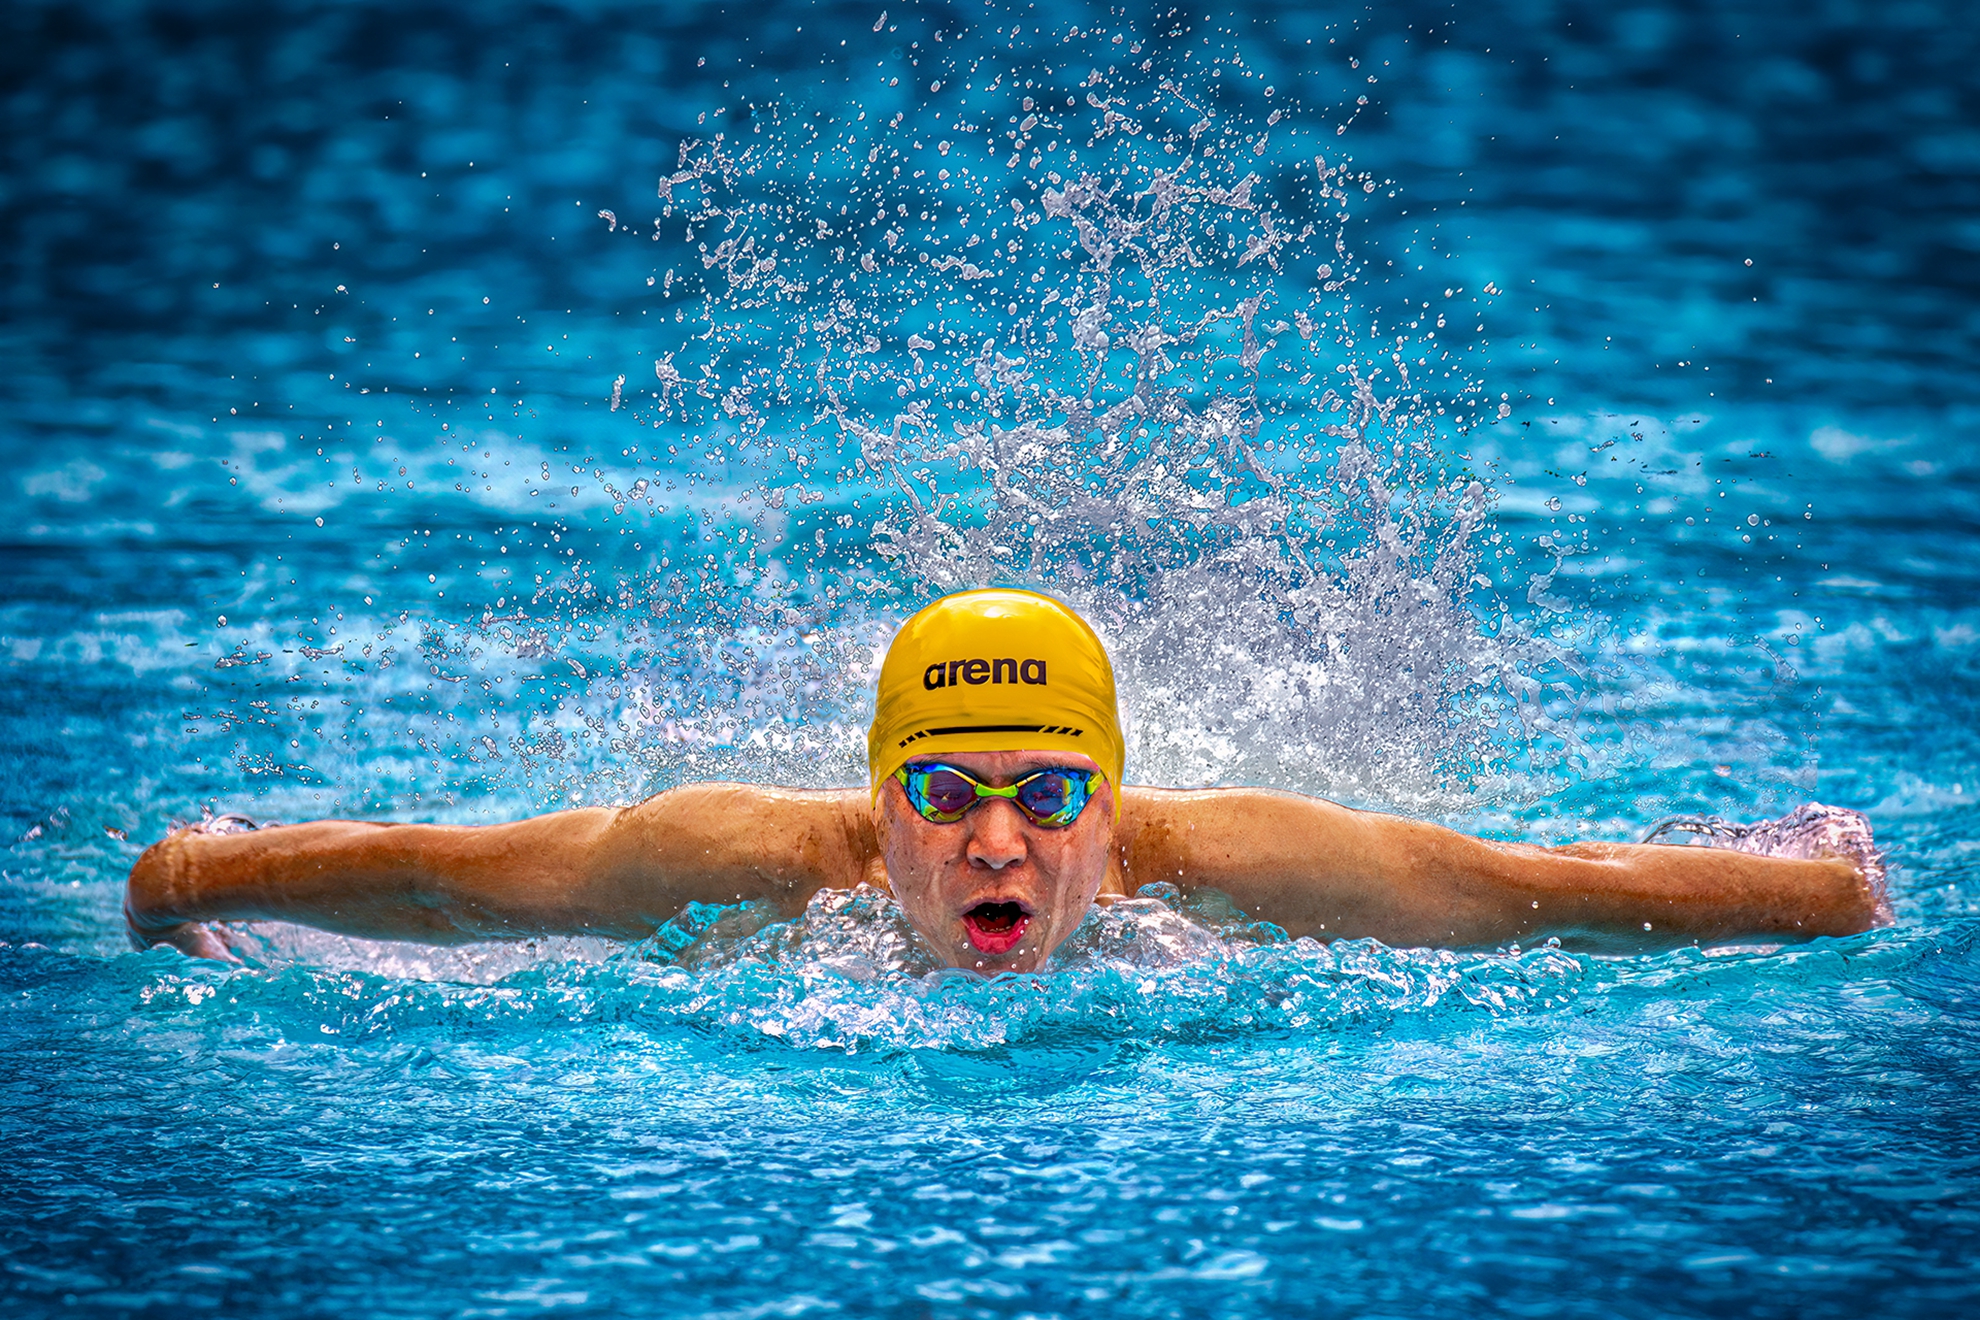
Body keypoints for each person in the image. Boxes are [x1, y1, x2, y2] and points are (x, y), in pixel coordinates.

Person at [124, 588, 1886, 971]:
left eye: (1047, 797)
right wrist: (195, 876)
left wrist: (1822, 886)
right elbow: (451, 875)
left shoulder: (1244, 865)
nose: (993, 841)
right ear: (875, 799)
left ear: (1110, 804)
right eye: (943, 793)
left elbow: (1544, 894)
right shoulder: (736, 858)